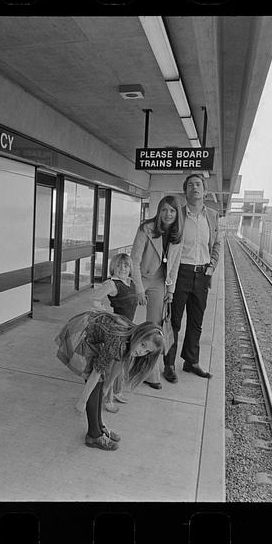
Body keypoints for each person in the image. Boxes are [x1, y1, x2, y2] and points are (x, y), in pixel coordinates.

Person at [55, 311, 165, 451]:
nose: (141, 352)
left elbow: (120, 361)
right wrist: (82, 401)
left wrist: (107, 386)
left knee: (101, 381)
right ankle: (94, 435)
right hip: (80, 332)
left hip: (93, 333)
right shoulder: (117, 340)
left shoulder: (130, 339)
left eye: (147, 351)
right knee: (95, 382)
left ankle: (99, 427)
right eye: (143, 345)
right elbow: (96, 372)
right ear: (139, 334)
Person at [163, 174, 221, 383]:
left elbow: (216, 244)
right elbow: (167, 241)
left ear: (205, 191)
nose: (194, 188)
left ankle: (191, 361)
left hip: (202, 274)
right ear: (185, 191)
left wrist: (211, 267)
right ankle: (169, 364)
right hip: (181, 273)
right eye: (190, 185)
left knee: (196, 322)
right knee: (174, 321)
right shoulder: (178, 214)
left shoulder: (212, 216)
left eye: (198, 185)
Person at [130, 195, 184, 389]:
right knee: (125, 321)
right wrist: (138, 289)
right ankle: (118, 364)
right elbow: (134, 260)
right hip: (140, 278)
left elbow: (175, 264)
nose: (168, 214)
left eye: (172, 210)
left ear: (177, 214)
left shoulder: (178, 234)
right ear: (159, 211)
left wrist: (171, 289)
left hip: (160, 282)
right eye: (164, 210)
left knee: (153, 328)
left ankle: (148, 372)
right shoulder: (146, 228)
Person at [90, 253, 138, 411]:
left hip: (128, 328)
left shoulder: (130, 282)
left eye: (126, 265)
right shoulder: (112, 284)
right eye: (118, 265)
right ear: (113, 267)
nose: (122, 268)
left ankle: (117, 391)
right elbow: (95, 299)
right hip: (117, 330)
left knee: (122, 362)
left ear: (130, 268)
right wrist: (108, 314)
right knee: (111, 364)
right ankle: (106, 397)